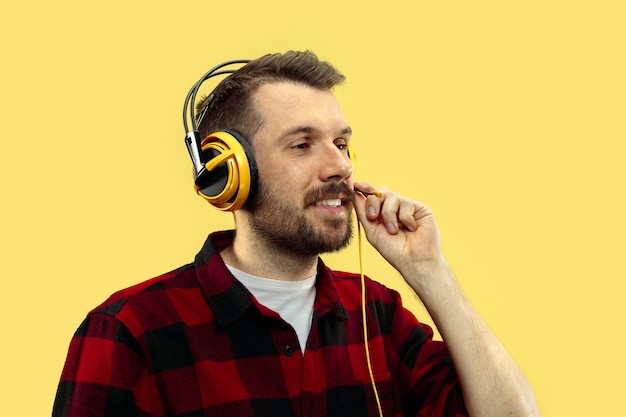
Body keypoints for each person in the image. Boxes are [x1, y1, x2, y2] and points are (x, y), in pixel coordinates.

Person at [53, 51, 540, 417]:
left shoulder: (379, 318)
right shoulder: (130, 330)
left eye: (342, 143)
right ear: (227, 172)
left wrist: (431, 272)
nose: (341, 167)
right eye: (303, 144)